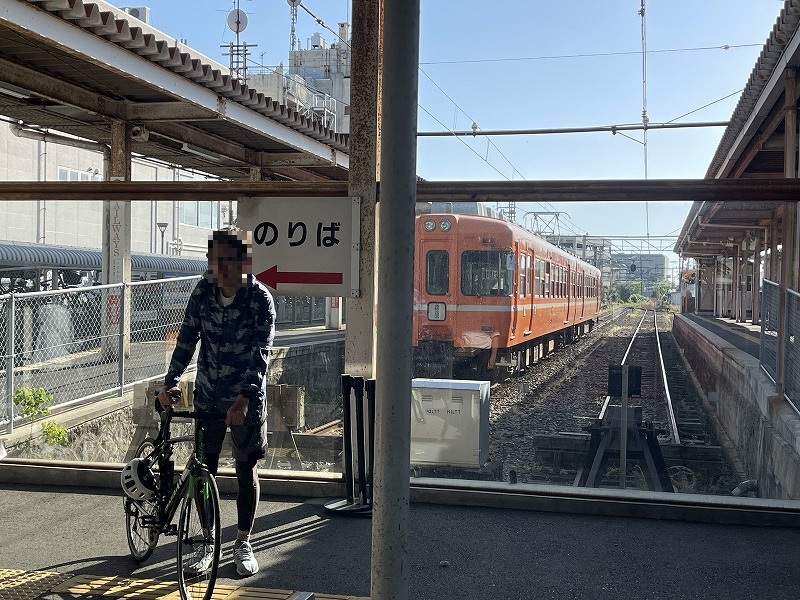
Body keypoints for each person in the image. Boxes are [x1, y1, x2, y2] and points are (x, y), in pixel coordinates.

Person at [159, 226, 276, 577]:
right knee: (202, 470)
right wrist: (171, 382)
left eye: (228, 260)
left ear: (245, 260)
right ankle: (208, 541)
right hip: (208, 395)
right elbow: (186, 340)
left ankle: (243, 541)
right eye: (214, 259)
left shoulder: (260, 299)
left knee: (245, 470)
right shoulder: (203, 291)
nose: (220, 267)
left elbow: (261, 353)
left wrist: (243, 399)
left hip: (245, 401)